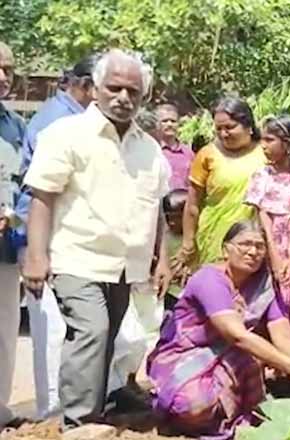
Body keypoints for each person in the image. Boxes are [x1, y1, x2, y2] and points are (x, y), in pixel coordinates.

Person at [21, 49, 172, 427]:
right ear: (95, 89)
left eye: (133, 91)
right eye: (115, 88)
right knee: (92, 331)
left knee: (107, 342)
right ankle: (77, 423)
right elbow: (42, 195)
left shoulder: (149, 148)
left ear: (144, 96)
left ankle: (94, 420)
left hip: (125, 266)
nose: (123, 98)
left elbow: (156, 207)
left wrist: (163, 258)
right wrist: (36, 256)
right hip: (77, 257)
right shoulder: (65, 135)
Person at [147, 220, 290, 439]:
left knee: (250, 360)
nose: (252, 251)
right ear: (225, 249)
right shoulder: (209, 279)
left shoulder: (262, 285)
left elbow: (283, 334)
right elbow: (236, 335)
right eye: (245, 244)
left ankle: (235, 417)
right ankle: (174, 415)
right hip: (185, 356)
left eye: (259, 246)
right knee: (192, 405)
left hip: (231, 358)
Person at [11, 53, 98, 421]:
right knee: (49, 328)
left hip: (71, 240)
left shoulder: (81, 119)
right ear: (83, 85)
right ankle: (51, 412)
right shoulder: (57, 123)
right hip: (47, 240)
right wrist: (36, 249)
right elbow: (36, 191)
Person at [245, 114, 290, 343]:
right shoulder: (261, 176)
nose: (263, 146)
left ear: (287, 143)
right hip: (267, 246)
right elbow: (263, 216)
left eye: (269, 140)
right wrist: (275, 256)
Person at [175, 98, 266, 269]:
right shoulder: (207, 154)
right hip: (214, 237)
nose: (224, 134)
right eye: (219, 129)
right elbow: (193, 205)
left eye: (230, 127)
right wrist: (188, 244)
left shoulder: (267, 152)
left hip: (255, 240)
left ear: (249, 126)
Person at [0, 43, 25, 428]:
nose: (3, 78)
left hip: (6, 250)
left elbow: (28, 186)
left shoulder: (15, 125)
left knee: (4, 333)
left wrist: (15, 217)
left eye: (7, 69)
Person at [156, 103, 194, 191]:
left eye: (173, 121)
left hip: (183, 202)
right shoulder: (152, 151)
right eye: (165, 121)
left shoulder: (188, 153)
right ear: (157, 124)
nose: (169, 124)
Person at [163, 189, 188, 309]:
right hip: (169, 293)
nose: (172, 222)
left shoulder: (196, 239)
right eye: (169, 218)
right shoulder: (164, 238)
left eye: (177, 217)